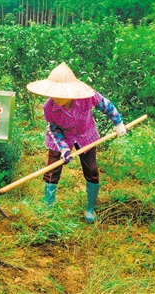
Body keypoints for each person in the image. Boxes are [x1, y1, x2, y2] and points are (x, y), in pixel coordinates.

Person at [26, 62, 127, 223]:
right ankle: (48, 210)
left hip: (85, 134)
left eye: (61, 94)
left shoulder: (87, 97)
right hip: (61, 137)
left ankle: (90, 209)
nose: (56, 98)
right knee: (52, 170)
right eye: (54, 94)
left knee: (91, 169)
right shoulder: (49, 107)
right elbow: (53, 130)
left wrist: (118, 123)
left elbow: (106, 105)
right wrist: (64, 149)